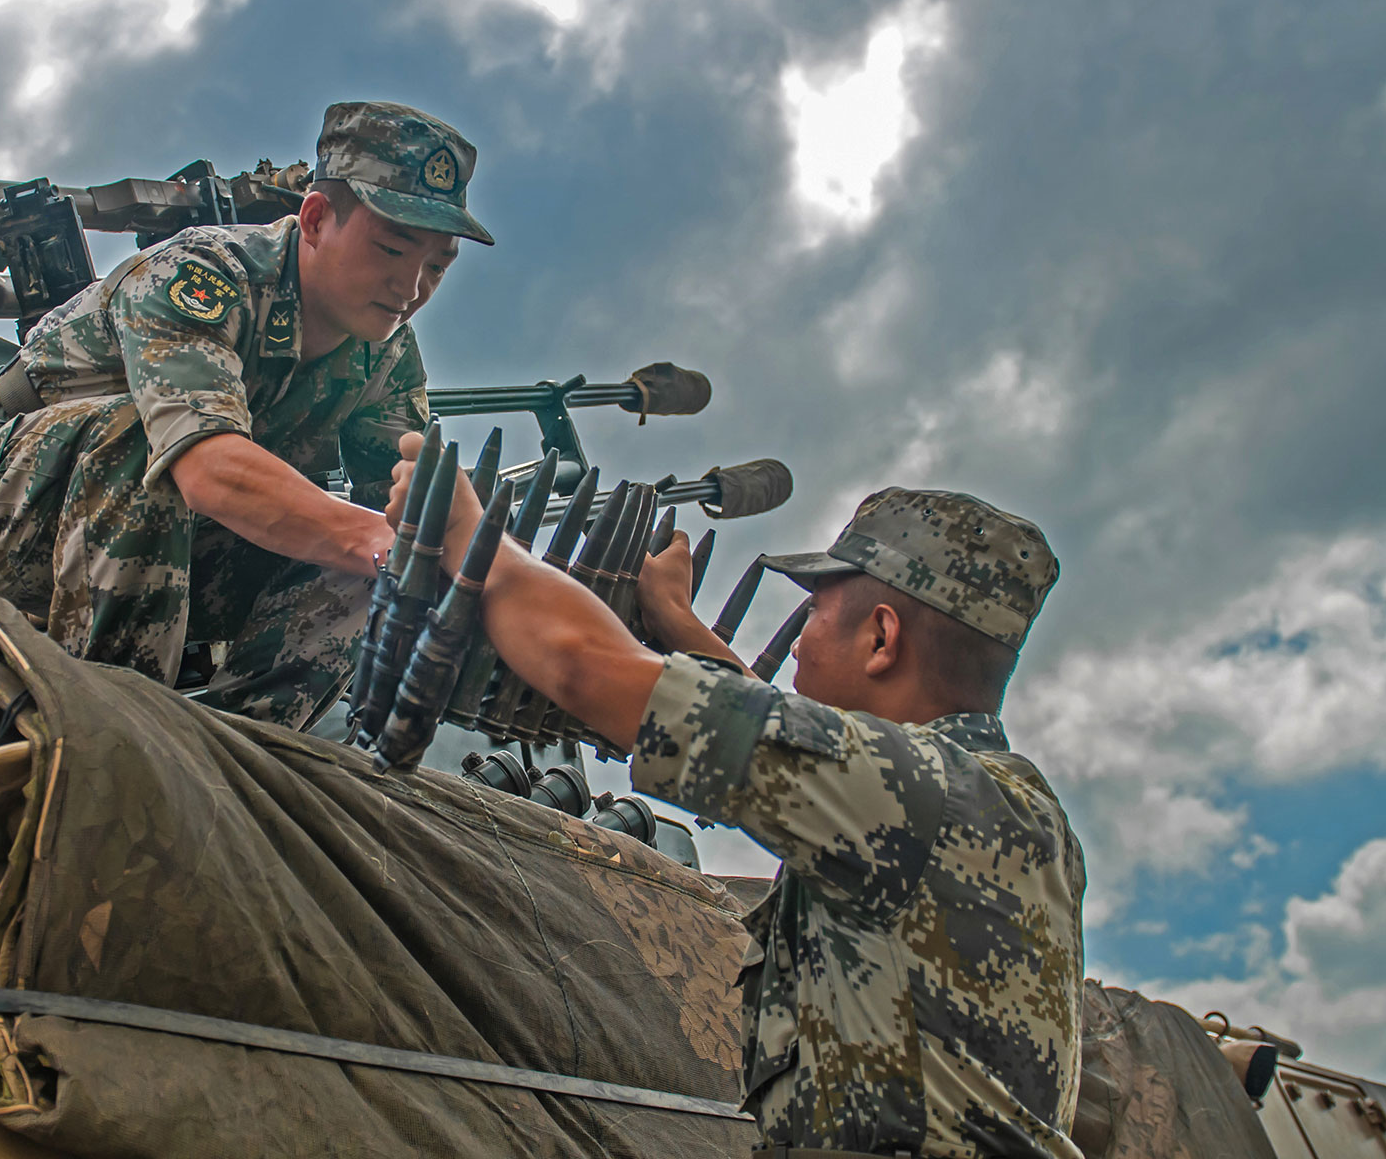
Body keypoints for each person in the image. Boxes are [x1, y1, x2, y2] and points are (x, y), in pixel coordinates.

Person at [391, 452, 1085, 1159]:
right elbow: (789, 747)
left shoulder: (917, 794)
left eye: (813, 613)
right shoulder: (983, 800)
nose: (800, 644)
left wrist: (467, 532)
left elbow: (581, 664)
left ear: (882, 638)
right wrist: (677, 622)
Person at [0, 101, 492, 729]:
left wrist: (490, 584)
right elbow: (206, 468)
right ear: (317, 219)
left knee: (384, 564)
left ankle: (244, 754)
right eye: (390, 249)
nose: (411, 289)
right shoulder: (204, 274)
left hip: (171, 540)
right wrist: (386, 545)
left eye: (436, 267)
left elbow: (411, 517)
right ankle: (109, 731)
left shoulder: (387, 359)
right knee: (155, 441)